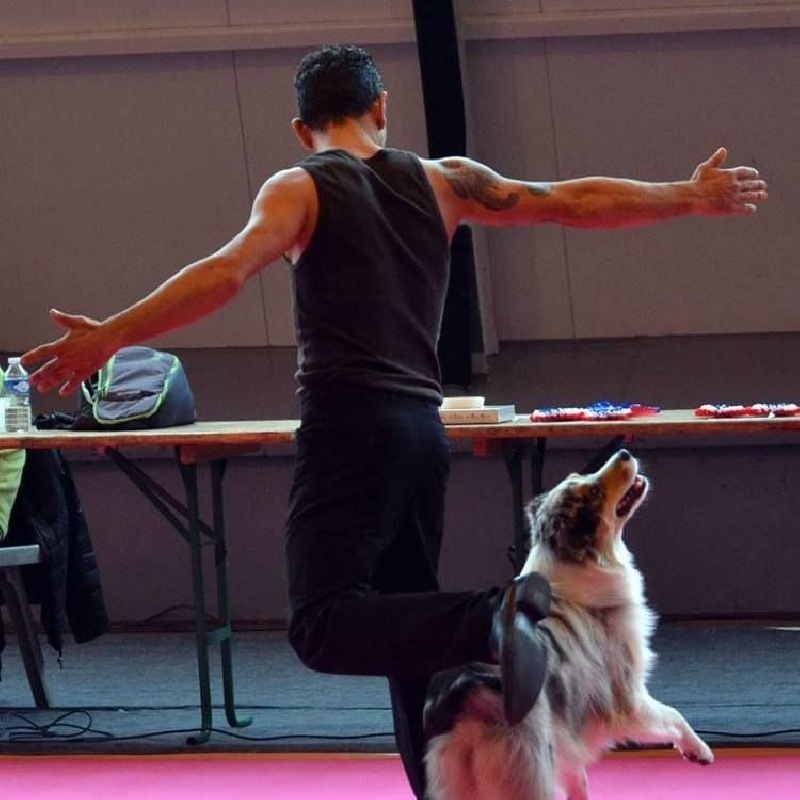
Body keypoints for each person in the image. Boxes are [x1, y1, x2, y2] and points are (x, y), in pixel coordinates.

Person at [22, 44, 767, 798]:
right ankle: (441, 773)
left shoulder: (299, 185)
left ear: (301, 127)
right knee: (407, 631)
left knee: (320, 626)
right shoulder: (446, 180)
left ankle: (495, 612)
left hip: (348, 427)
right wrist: (687, 195)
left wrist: (110, 336)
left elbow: (226, 271)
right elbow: (568, 200)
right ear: (382, 107)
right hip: (420, 432)